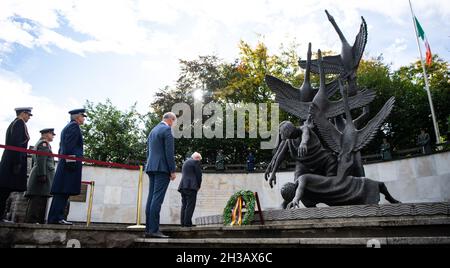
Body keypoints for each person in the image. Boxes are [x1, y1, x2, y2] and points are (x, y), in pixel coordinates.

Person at [48, 109, 86, 225]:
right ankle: (57, 218)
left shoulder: (68, 127)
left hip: (66, 163)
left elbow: (62, 148)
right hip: (69, 164)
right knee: (63, 191)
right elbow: (69, 147)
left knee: (62, 192)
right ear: (77, 116)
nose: (84, 118)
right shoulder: (73, 127)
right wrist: (71, 163)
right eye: (82, 116)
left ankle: (56, 218)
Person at [144, 112, 177, 238]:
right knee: (157, 199)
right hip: (162, 169)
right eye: (174, 121)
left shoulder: (153, 131)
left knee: (151, 198)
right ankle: (154, 230)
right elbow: (169, 152)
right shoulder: (167, 130)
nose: (173, 124)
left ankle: (149, 229)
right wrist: (172, 170)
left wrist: (149, 165)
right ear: (170, 119)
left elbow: (148, 151)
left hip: (151, 167)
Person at [0, 107, 32, 223]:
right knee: (3, 192)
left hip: (10, 160)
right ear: (23, 113)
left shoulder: (15, 123)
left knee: (4, 192)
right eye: (28, 115)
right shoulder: (19, 123)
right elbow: (16, 144)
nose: (29, 117)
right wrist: (17, 162)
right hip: (12, 162)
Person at [24, 128, 56, 224]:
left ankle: (34, 220)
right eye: (51, 134)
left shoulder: (41, 143)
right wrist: (42, 174)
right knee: (37, 199)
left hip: (42, 173)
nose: (53, 136)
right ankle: (32, 221)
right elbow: (42, 160)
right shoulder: (44, 144)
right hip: (42, 174)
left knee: (39, 198)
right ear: (45, 134)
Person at [178, 152, 202, 227]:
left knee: (184, 205)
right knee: (190, 205)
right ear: (197, 158)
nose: (199, 160)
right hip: (191, 187)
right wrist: (198, 186)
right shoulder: (196, 162)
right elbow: (199, 175)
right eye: (199, 159)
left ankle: (183, 223)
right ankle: (187, 223)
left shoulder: (186, 162)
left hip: (183, 186)